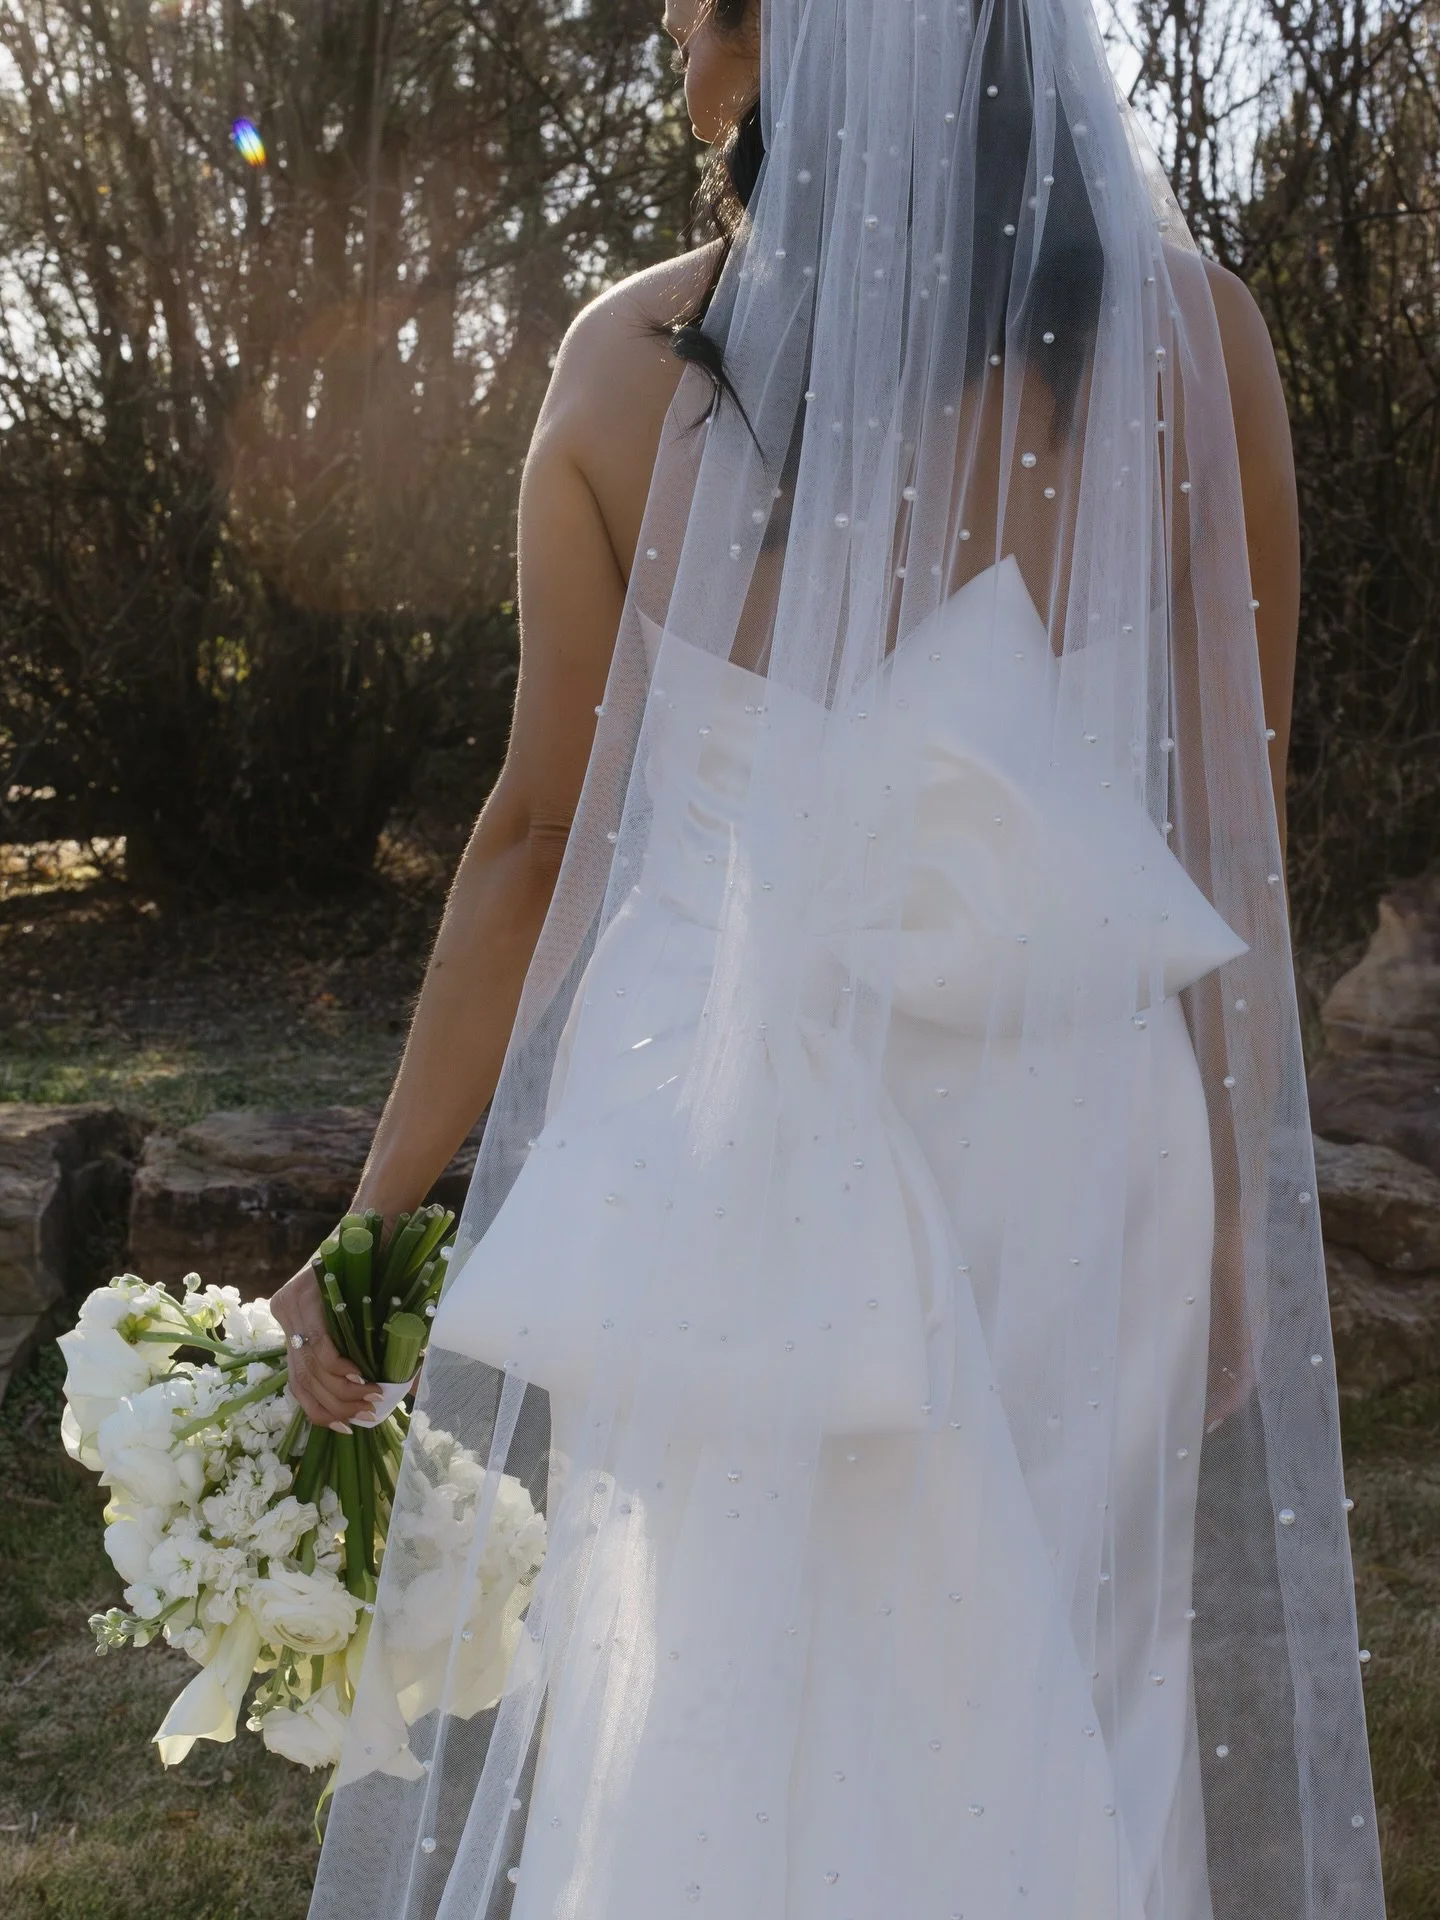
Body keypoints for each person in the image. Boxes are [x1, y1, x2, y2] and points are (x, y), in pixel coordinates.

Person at [287, 4, 1385, 1917]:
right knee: (1072, 1688)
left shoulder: (627, 365)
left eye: (706, 11)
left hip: (727, 1147)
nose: (678, 58)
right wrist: (1221, 1193)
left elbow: (537, 842)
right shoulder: (1198, 343)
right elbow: (1231, 830)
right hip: (1078, 1138)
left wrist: (378, 1228)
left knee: (702, 1702)